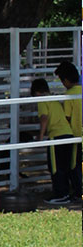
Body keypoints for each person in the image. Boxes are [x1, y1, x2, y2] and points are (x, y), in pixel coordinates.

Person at [31, 77, 78, 205]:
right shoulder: (54, 100)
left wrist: (41, 136)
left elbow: (44, 118)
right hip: (68, 134)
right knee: (65, 166)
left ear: (36, 92)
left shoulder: (42, 101)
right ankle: (67, 193)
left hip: (57, 136)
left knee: (55, 167)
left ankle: (60, 194)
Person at [50, 62, 83, 204]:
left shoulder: (69, 95)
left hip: (76, 134)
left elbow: (67, 116)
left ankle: (78, 192)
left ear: (66, 80)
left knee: (75, 165)